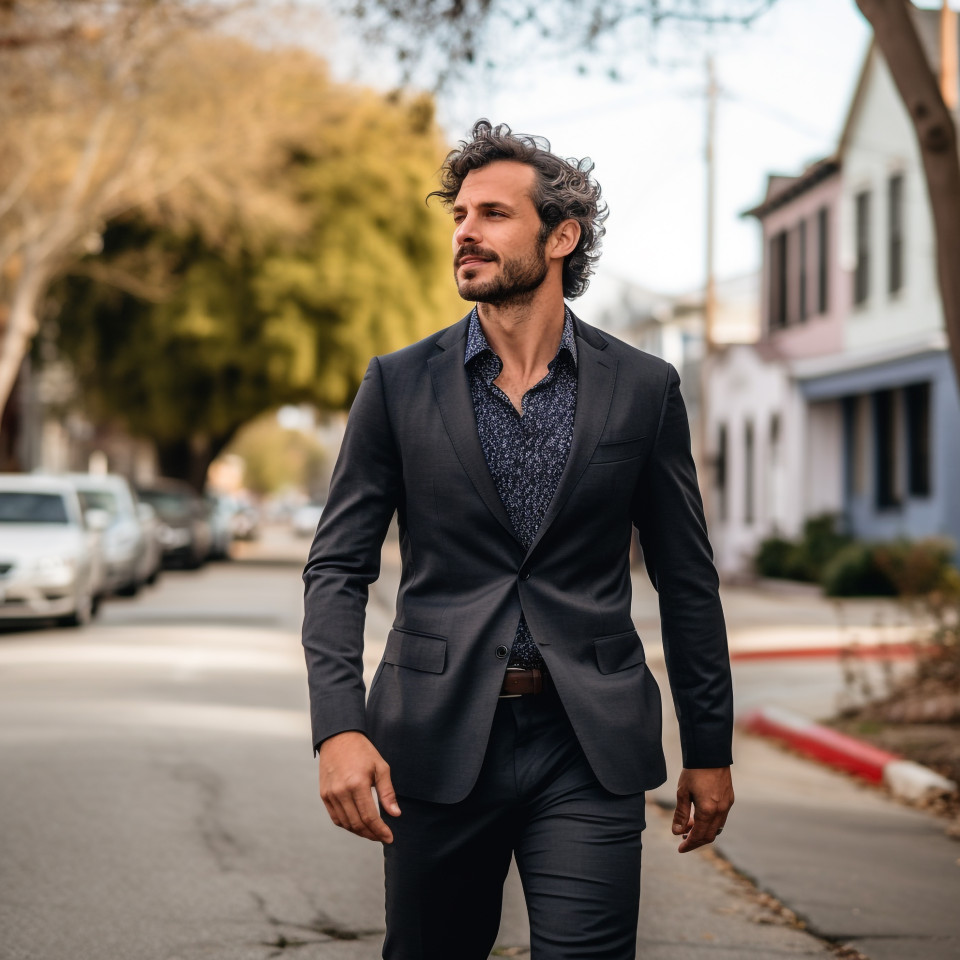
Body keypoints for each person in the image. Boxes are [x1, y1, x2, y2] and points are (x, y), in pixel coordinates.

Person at [302, 119, 734, 960]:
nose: (466, 231)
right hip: (430, 738)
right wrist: (337, 728)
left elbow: (687, 579)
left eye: (494, 214)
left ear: (561, 236)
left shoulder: (644, 389)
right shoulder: (396, 384)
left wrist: (709, 748)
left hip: (588, 741)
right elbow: (337, 566)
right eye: (460, 215)